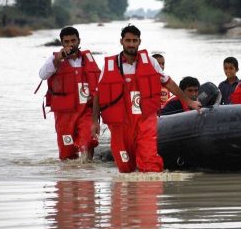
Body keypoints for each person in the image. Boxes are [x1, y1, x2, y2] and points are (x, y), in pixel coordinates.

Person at [91, 24, 201, 173]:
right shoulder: (110, 65)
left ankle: (149, 193)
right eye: (128, 40)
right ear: (121, 41)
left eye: (134, 41)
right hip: (120, 123)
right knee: (125, 168)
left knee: (150, 164)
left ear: (139, 42)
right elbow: (98, 93)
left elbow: (169, 83)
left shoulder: (151, 62)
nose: (131, 44)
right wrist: (94, 122)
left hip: (145, 119)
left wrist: (189, 102)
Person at [38, 26, 101, 162]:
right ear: (62, 43)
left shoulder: (88, 59)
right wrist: (58, 59)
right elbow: (42, 75)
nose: (70, 44)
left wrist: (96, 119)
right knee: (67, 156)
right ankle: (70, 180)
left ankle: (88, 176)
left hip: (86, 111)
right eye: (66, 42)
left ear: (79, 41)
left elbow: (98, 88)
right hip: (64, 115)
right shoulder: (54, 60)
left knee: (88, 141)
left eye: (73, 40)